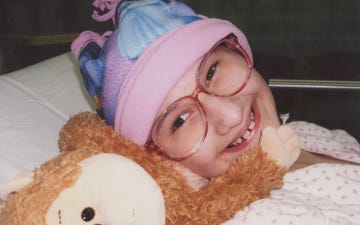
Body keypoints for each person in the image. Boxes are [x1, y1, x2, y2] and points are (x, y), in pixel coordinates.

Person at [72, 0, 358, 181]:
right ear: (158, 159)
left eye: (212, 71)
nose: (231, 114)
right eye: (179, 121)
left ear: (237, 48)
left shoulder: (305, 132)